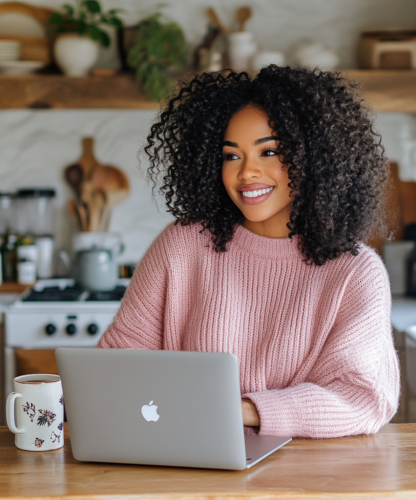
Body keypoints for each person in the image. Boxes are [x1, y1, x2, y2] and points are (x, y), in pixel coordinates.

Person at [98, 65, 400, 438]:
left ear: (315, 158)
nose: (247, 174)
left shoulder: (355, 273)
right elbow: (121, 358)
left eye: (269, 152)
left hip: (307, 480)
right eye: (231, 156)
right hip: (191, 463)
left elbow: (364, 398)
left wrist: (245, 410)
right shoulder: (183, 245)